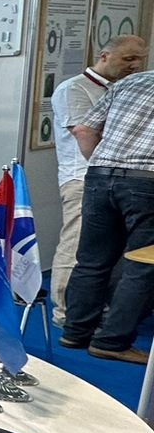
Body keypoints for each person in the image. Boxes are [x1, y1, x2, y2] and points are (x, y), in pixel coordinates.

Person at [60, 59, 154, 363]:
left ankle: (75, 332)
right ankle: (112, 341)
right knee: (143, 264)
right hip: (148, 181)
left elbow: (84, 130)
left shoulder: (130, 82)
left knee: (91, 260)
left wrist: (103, 166)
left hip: (100, 175)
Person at [48, 35, 146, 325]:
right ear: (104, 56)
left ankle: (100, 309)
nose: (135, 65)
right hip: (83, 179)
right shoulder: (73, 89)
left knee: (113, 251)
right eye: (128, 58)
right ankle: (66, 311)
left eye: (140, 59)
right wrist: (110, 165)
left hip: (117, 180)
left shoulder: (124, 89)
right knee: (76, 246)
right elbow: (85, 132)